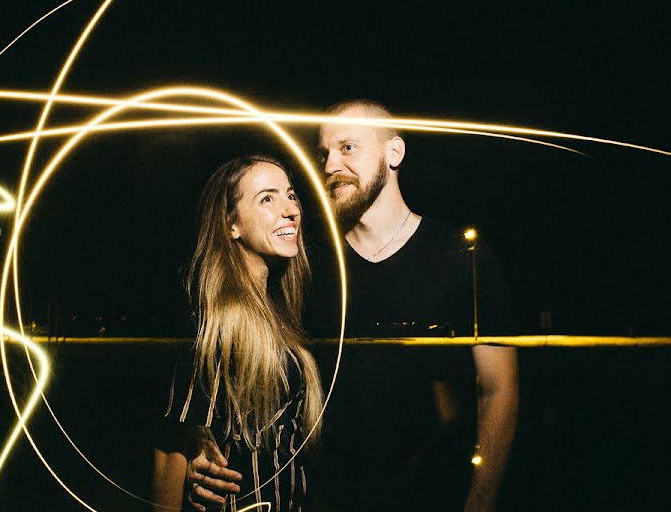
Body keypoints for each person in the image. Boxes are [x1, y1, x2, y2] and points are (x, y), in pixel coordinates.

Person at [186, 101, 519, 511]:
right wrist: (199, 440)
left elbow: (498, 390)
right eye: (323, 153)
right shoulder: (306, 263)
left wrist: (480, 504)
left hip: (433, 498)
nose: (329, 166)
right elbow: (239, 339)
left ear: (393, 153)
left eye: (347, 148)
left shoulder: (461, 256)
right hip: (323, 500)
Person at [152, 154, 325, 512]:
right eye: (267, 198)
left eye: (291, 195)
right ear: (232, 225)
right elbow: (171, 448)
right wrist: (192, 440)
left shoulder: (279, 310)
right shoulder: (216, 323)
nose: (289, 210)